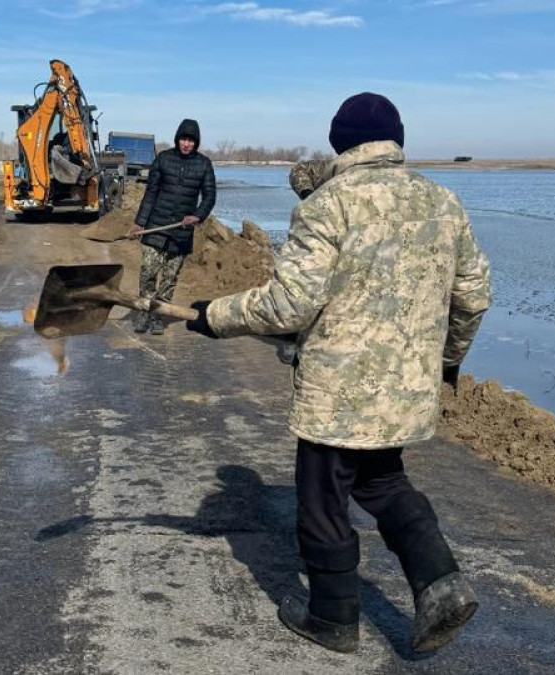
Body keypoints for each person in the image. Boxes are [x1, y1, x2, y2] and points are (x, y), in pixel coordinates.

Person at [185, 93, 492, 654]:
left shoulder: (328, 204)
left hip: (339, 393)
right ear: (396, 140)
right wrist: (447, 360)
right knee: (382, 481)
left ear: (339, 141)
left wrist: (215, 315)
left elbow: (290, 306)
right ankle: (442, 585)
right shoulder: (444, 202)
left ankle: (332, 616)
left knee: (323, 498)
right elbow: (472, 297)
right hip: (403, 391)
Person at [131, 119, 216, 335]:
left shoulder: (204, 164)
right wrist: (139, 223)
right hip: (156, 225)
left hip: (181, 230)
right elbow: (150, 193)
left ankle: (159, 315)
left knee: (169, 279)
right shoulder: (163, 159)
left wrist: (197, 215)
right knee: (148, 271)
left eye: (190, 141)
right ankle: (143, 312)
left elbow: (210, 196)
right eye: (183, 139)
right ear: (177, 139)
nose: (186, 144)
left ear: (196, 143)